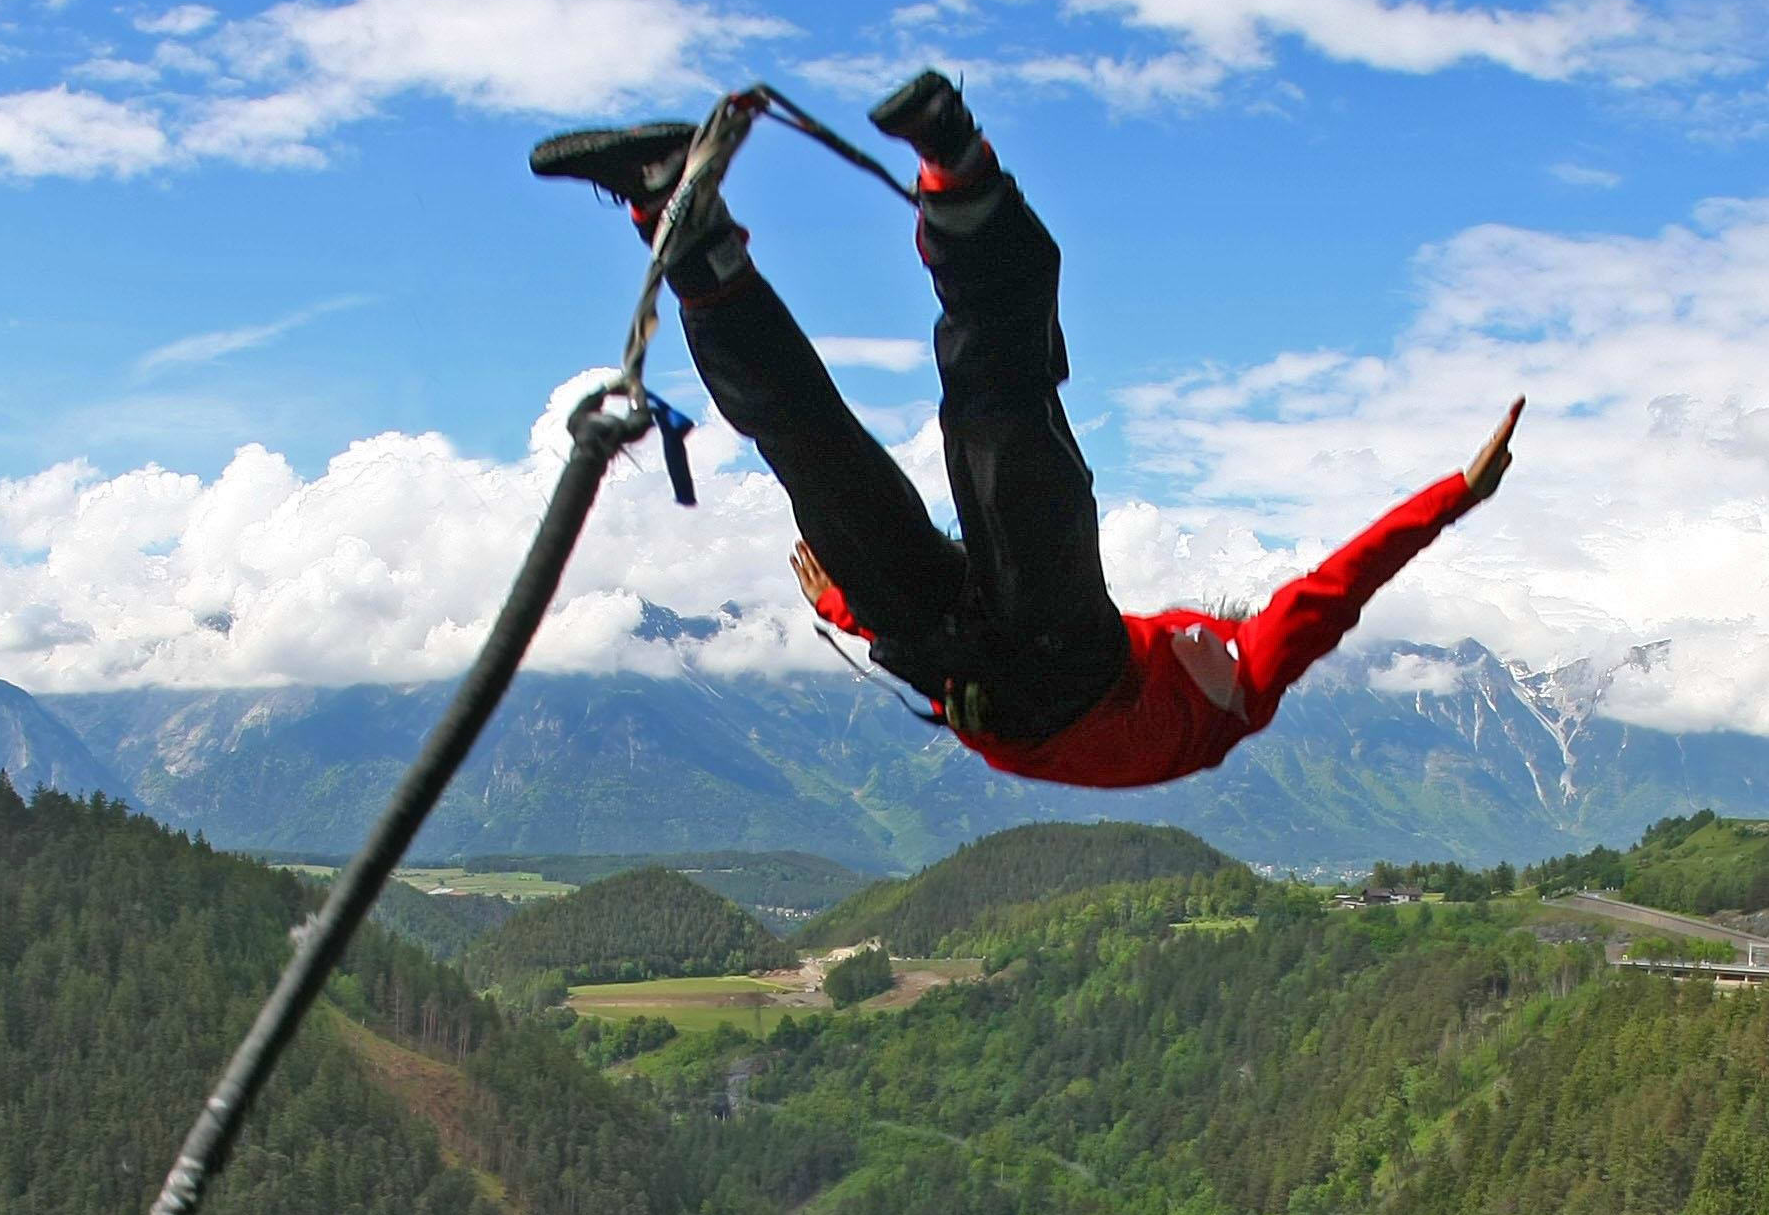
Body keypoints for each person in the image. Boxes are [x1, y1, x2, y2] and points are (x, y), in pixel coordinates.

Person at [531, 72, 1521, 790]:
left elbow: (1335, 588)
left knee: (915, 452)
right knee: (964, 445)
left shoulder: (1240, 680)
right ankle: (936, 177)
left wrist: (851, 609)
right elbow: (1332, 590)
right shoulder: (1219, 669)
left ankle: (693, 219)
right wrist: (1455, 496)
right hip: (1009, 674)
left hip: (1016, 671)